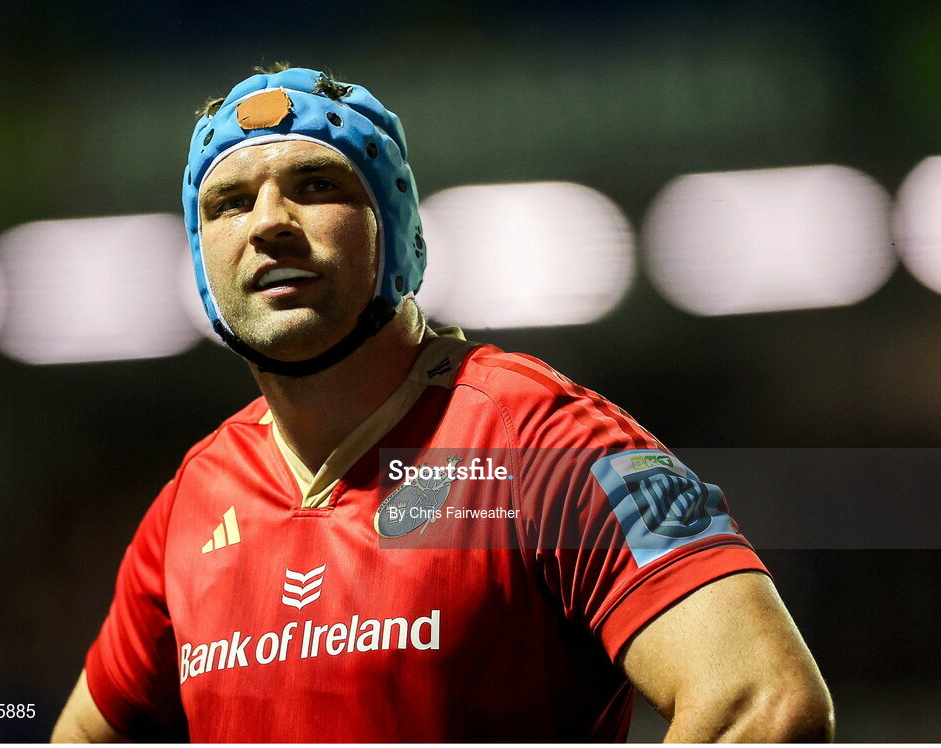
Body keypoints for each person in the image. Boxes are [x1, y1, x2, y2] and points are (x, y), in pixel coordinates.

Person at [52, 65, 834, 742]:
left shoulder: (540, 440)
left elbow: (763, 702)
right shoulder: (192, 500)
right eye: (228, 202)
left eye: (315, 186)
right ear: (202, 258)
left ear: (393, 225)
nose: (268, 225)